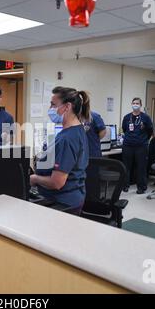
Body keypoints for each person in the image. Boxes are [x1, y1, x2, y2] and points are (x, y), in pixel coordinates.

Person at [30, 86, 90, 216]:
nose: (50, 109)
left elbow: (57, 182)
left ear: (67, 107)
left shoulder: (67, 138)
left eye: (53, 104)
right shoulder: (78, 130)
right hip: (72, 197)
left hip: (62, 202)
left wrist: (34, 178)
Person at [122, 97, 153, 194]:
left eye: (137, 103)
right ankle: (125, 185)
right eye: (134, 103)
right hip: (128, 145)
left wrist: (143, 140)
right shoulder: (127, 117)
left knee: (141, 167)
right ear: (131, 104)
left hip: (141, 146)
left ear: (140, 105)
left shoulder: (146, 118)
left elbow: (150, 131)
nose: (135, 105)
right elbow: (124, 129)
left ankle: (141, 187)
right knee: (126, 167)